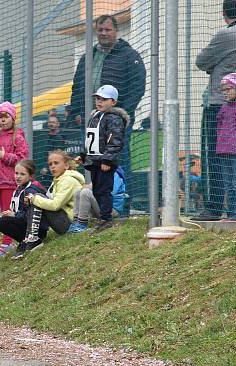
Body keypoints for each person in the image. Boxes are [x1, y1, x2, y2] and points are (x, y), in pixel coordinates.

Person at [69, 15, 146, 216]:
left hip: (115, 122)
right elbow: (77, 85)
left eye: (107, 30)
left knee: (118, 161)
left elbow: (137, 87)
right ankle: (98, 206)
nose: (103, 33)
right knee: (92, 161)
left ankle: (121, 205)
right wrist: (76, 111)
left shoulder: (129, 55)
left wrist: (122, 114)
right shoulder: (88, 56)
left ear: (116, 31)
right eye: (100, 29)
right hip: (92, 121)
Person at [195, 0, 236, 220]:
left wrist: (216, 66)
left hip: (219, 105)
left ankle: (214, 207)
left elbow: (201, 62)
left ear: (224, 12)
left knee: (215, 158)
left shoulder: (226, 35)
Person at [12, 150, 84, 259]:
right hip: (64, 220)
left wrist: (34, 199)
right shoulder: (58, 179)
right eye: (50, 164)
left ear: (66, 165)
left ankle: (32, 239)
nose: (53, 167)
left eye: (56, 163)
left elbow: (55, 205)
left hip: (70, 224)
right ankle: (30, 238)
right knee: (35, 199)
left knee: (36, 198)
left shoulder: (68, 180)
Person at [79, 85, 129, 232]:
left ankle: (106, 219)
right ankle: (102, 217)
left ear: (113, 102)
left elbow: (115, 141)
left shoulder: (114, 119)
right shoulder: (95, 116)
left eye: (104, 99)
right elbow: (90, 138)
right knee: (96, 191)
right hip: (94, 161)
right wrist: (83, 155)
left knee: (104, 190)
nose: (99, 102)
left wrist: (107, 160)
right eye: (98, 99)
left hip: (105, 162)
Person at [0, 101, 29, 256]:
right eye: (0, 116)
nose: (2, 120)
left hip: (10, 181)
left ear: (13, 118)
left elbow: (22, 158)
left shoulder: (18, 137)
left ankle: (6, 243)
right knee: (4, 211)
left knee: (8, 213)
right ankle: (10, 240)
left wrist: (5, 156)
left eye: (6, 116)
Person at [0, 160, 44, 260]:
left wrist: (14, 215)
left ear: (31, 176)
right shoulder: (19, 189)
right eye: (16, 173)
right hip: (24, 223)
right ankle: (24, 241)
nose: (18, 176)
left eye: (22, 174)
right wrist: (11, 213)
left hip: (37, 229)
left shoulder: (30, 191)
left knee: (4, 221)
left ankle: (30, 240)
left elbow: (31, 214)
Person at [216, 72, 236, 220]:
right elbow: (219, 123)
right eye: (223, 90)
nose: (225, 93)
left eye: (228, 89)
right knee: (228, 183)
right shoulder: (225, 107)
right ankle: (232, 211)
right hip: (224, 149)